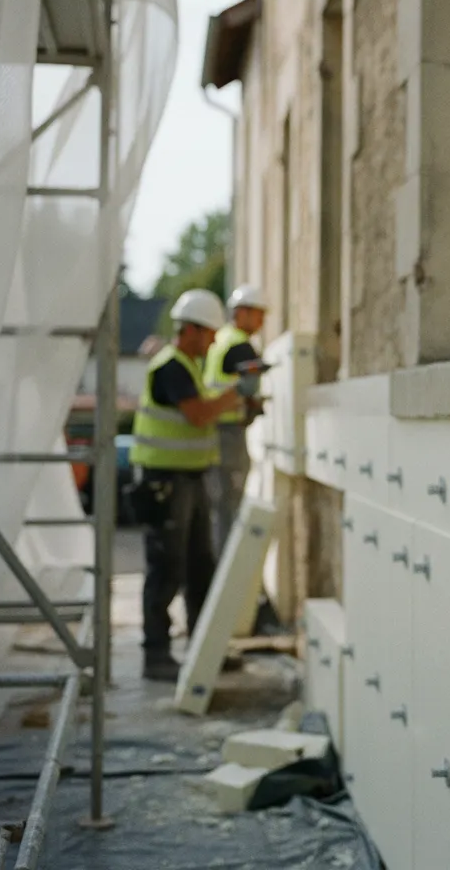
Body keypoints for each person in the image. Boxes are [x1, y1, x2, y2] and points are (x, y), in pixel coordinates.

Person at [130, 288, 258, 682]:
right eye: (211, 333)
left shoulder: (189, 365)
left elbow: (202, 412)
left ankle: (206, 650)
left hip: (190, 480)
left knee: (200, 568)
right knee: (166, 570)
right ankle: (156, 655)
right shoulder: (171, 367)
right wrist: (237, 391)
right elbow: (199, 416)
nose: (216, 341)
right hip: (166, 484)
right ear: (191, 331)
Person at [203, 283, 283, 635]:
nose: (262, 322)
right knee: (229, 515)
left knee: (222, 513)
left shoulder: (220, 340)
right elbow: (245, 388)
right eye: (259, 314)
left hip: (216, 436)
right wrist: (253, 400)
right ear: (243, 312)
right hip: (228, 436)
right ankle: (232, 595)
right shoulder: (238, 344)